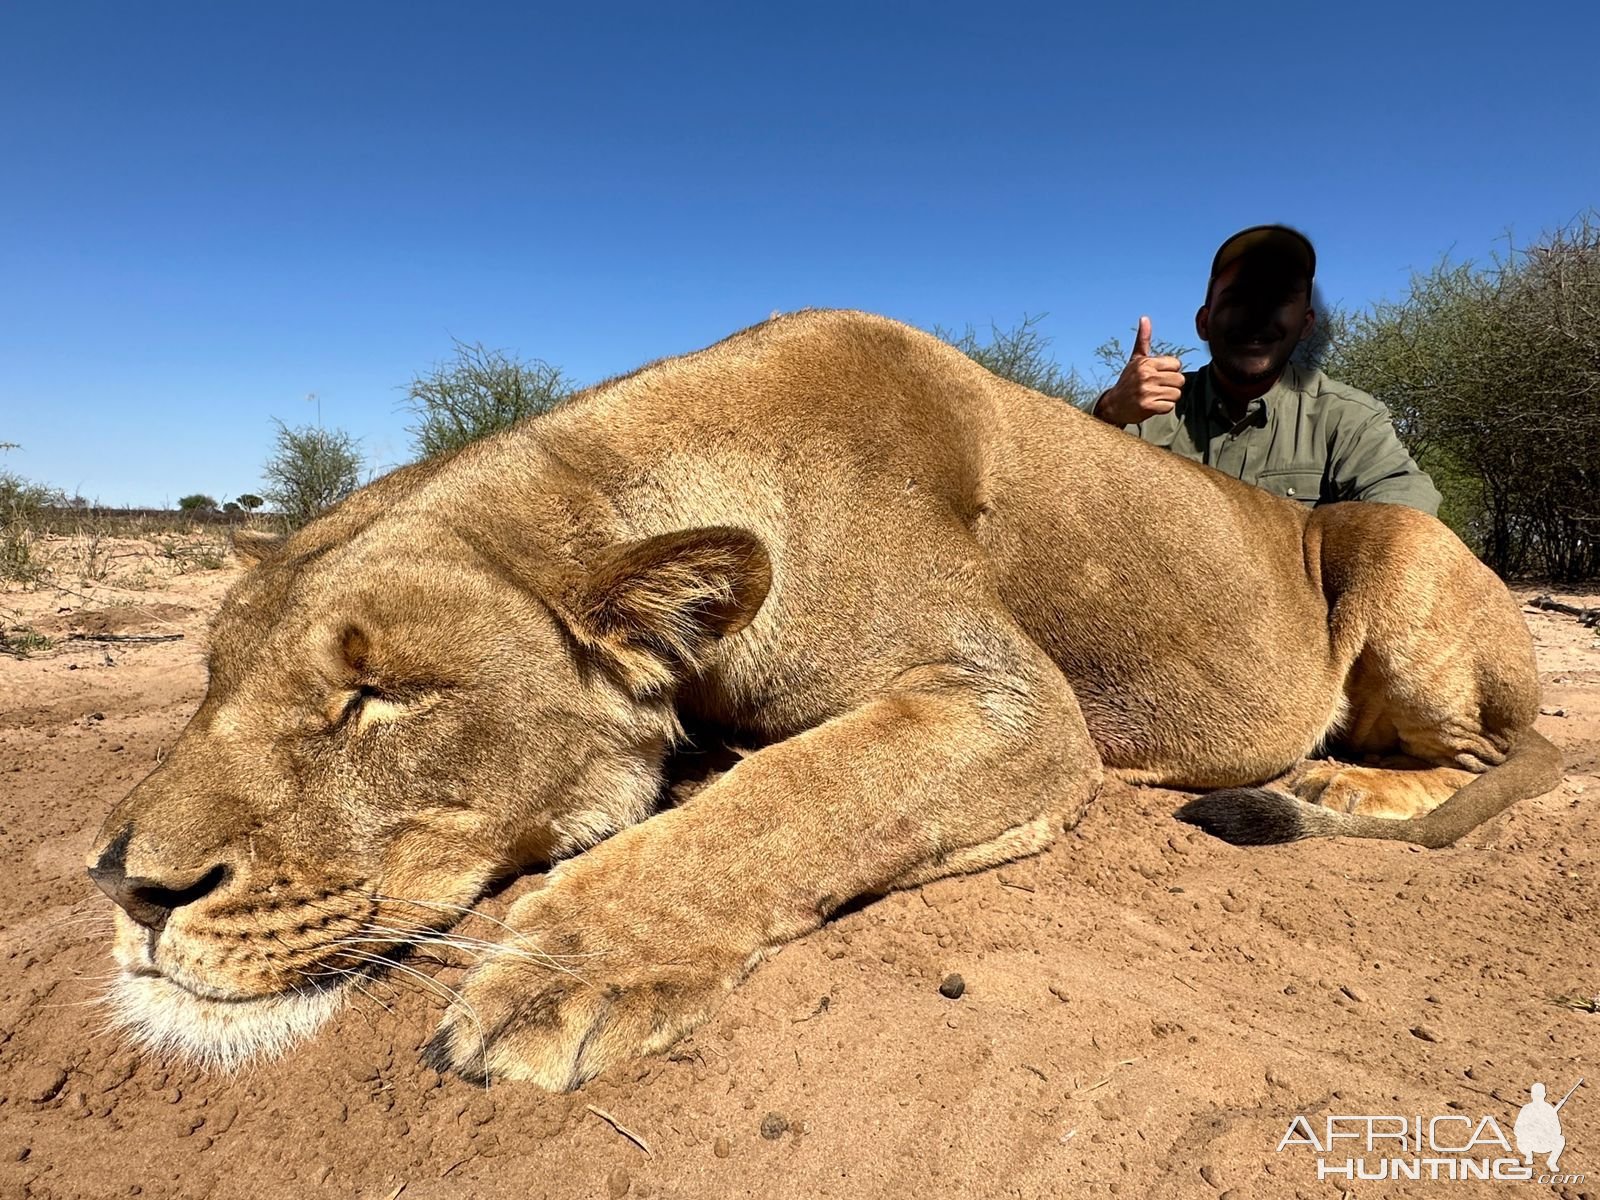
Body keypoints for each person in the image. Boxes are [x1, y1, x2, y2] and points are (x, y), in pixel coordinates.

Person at [1086, 224, 1441, 514]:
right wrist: (1108, 412)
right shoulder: (1143, 413)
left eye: (1278, 301)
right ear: (1204, 323)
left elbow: (1407, 506)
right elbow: (1061, 494)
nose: (1257, 317)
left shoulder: (1348, 418)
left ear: (1305, 324)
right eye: (1237, 300)